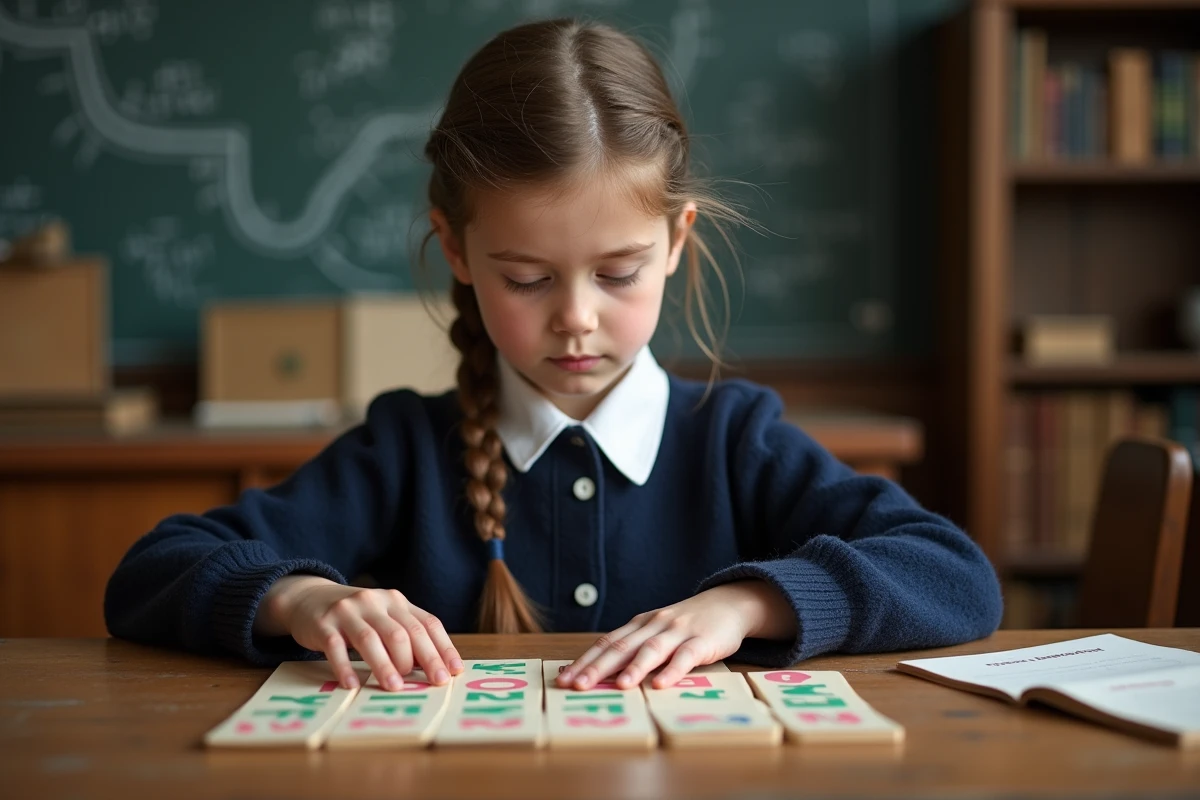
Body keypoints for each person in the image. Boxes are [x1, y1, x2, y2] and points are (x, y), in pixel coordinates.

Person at [105, 18, 1002, 695]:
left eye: (619, 273)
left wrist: (745, 606)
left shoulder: (735, 440)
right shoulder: (406, 450)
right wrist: (300, 600)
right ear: (455, 251)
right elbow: (153, 569)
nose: (577, 320)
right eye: (527, 278)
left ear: (677, 240)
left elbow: (954, 574)